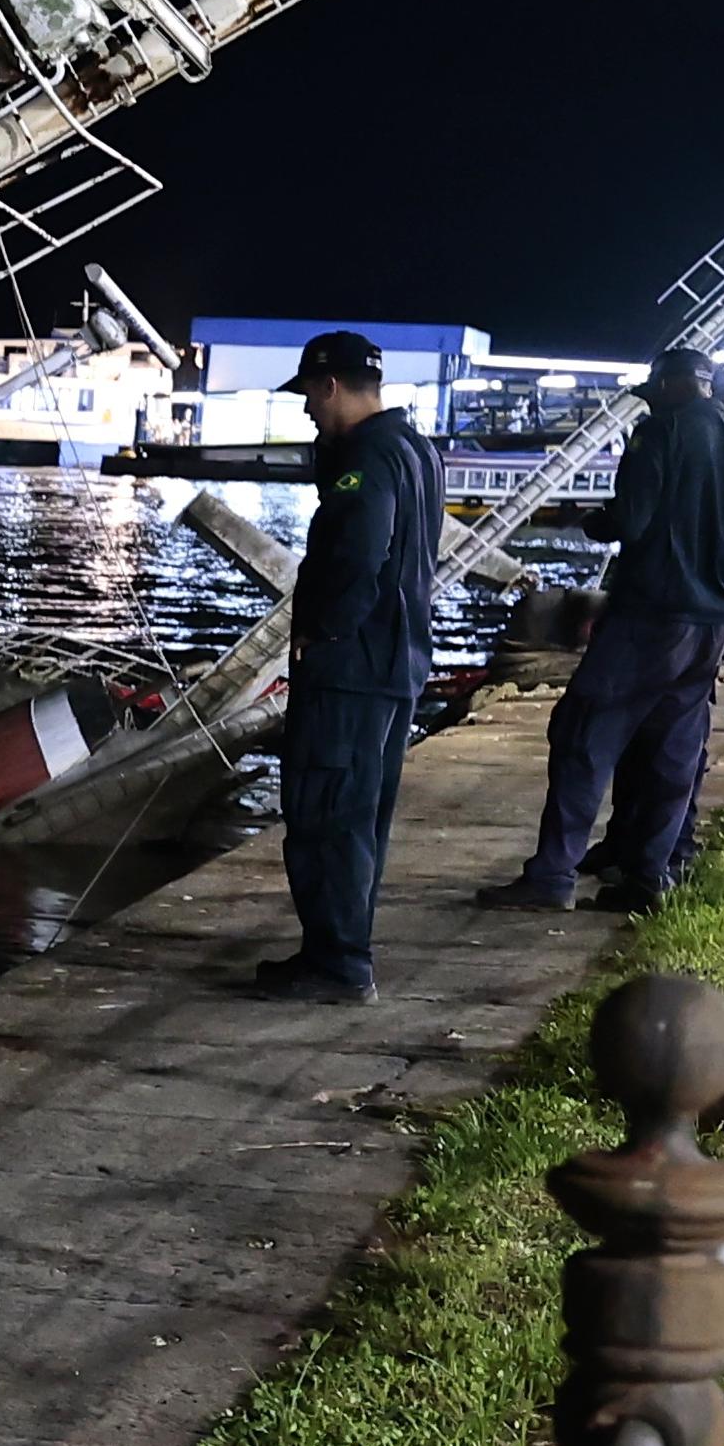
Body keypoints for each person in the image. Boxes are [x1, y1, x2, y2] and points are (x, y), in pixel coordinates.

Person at [477, 344, 724, 912]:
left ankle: (551, 876)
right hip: (711, 621)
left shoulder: (660, 434)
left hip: (650, 616)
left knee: (582, 733)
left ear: (672, 388)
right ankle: (649, 879)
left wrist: (598, 521)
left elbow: (635, 519)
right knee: (676, 748)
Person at [261, 328, 441, 1001]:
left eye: (310, 394)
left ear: (329, 385)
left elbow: (361, 552)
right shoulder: (415, 449)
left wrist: (322, 631)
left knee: (326, 811)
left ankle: (336, 961)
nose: (307, 409)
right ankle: (342, 949)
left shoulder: (365, 459)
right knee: (363, 814)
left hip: (353, 668)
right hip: (398, 663)